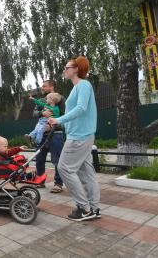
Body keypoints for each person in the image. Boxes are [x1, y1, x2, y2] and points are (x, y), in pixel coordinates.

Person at [48, 56, 100, 221]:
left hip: (79, 137)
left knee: (64, 168)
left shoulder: (83, 85)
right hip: (81, 135)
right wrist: (60, 123)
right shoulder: (77, 88)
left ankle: (84, 208)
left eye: (67, 67)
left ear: (76, 69)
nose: (64, 70)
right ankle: (94, 208)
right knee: (87, 173)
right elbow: (77, 113)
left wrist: (59, 120)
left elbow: (81, 108)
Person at [31, 80, 65, 193]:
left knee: (57, 160)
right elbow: (34, 113)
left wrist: (53, 126)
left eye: (44, 86)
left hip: (56, 134)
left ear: (51, 86)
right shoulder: (41, 100)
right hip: (42, 135)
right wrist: (42, 114)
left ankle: (58, 184)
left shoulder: (60, 99)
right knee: (39, 159)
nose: (42, 88)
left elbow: (66, 116)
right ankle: (40, 180)